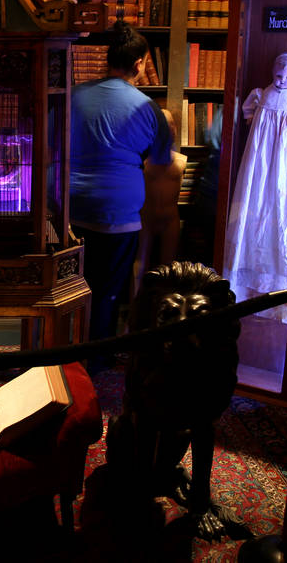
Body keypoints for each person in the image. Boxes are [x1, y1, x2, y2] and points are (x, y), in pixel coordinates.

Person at [70, 20, 173, 366]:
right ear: (141, 62)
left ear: (106, 59)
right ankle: (96, 360)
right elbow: (159, 163)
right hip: (118, 212)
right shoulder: (149, 109)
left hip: (69, 208)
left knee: (68, 287)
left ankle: (60, 356)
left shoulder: (74, 95)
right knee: (107, 291)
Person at [222, 52, 287, 323]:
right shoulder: (262, 94)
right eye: (278, 76)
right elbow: (248, 111)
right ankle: (242, 286)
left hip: (283, 160)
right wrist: (252, 118)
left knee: (279, 207)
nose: (282, 81)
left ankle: (276, 290)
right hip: (259, 157)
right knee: (253, 198)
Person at [134, 108, 187, 293]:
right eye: (164, 124)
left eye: (171, 123)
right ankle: (135, 312)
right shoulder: (142, 159)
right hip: (146, 219)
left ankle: (164, 311)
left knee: (169, 268)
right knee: (140, 265)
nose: (169, 128)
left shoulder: (181, 160)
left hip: (170, 219)